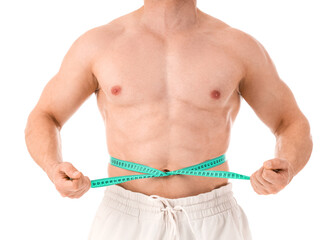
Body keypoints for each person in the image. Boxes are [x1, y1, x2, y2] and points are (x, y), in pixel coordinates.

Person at [24, 0, 313, 239]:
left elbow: (290, 121)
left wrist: (287, 165)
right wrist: (53, 167)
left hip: (214, 220)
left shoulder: (238, 46)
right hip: (125, 218)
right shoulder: (98, 44)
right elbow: (45, 115)